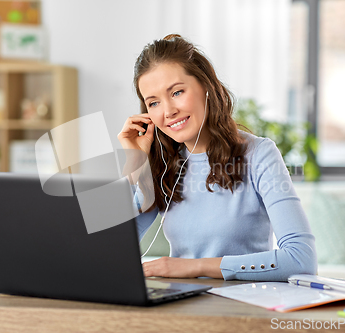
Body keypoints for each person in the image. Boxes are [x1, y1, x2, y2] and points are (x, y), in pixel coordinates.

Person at [117, 34, 317, 281]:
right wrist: (134, 165)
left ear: (206, 87)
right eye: (154, 102)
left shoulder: (259, 154)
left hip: (242, 308)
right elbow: (109, 251)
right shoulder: (163, 163)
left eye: (177, 92)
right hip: (177, 306)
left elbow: (301, 260)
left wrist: (196, 267)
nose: (168, 111)